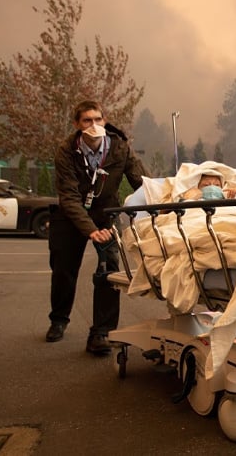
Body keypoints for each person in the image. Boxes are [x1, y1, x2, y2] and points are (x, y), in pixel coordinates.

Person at [45, 99, 149, 355]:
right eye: (87, 121)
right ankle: (59, 319)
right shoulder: (66, 150)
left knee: (109, 271)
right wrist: (90, 230)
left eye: (98, 119)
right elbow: (68, 196)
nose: (94, 125)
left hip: (106, 214)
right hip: (71, 215)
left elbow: (142, 182)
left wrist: (165, 202)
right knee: (63, 270)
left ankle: (101, 333)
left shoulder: (120, 148)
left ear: (105, 120)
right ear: (77, 125)